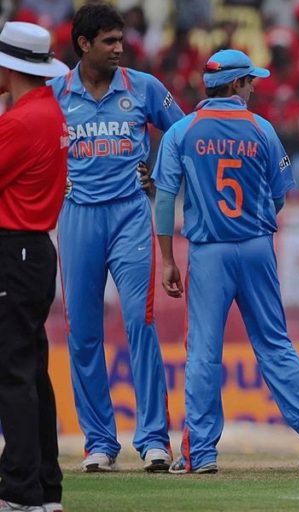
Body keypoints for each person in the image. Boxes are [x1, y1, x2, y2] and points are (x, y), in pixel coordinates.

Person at [151, 49, 299, 474]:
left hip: (208, 251)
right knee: (274, 343)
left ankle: (201, 453)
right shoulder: (261, 128)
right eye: (250, 81)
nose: (253, 88)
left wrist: (167, 259)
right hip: (256, 246)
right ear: (235, 84)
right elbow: (279, 196)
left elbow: (164, 201)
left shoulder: (181, 131)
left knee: (203, 350)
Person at [47, 2, 184, 473]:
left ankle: (154, 440)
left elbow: (184, 133)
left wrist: (159, 176)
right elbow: (28, 143)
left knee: (140, 325)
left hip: (130, 217)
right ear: (83, 44)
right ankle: (100, 443)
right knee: (83, 333)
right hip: (77, 218)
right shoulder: (54, 93)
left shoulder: (144, 87)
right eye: (109, 41)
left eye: (121, 40)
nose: (119, 48)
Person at [0, 21, 68, 512]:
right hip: (34, 249)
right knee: (31, 372)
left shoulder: (21, 122)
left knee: (14, 373)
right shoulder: (47, 111)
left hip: (15, 250)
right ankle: (43, 487)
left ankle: (21, 489)